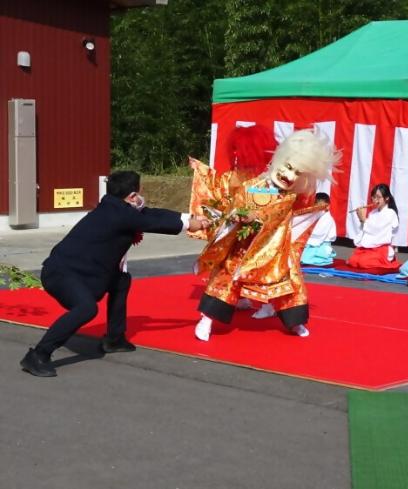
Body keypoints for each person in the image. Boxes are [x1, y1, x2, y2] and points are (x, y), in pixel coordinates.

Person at [20, 170, 211, 377]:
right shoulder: (120, 214)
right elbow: (151, 222)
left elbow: (150, 214)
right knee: (86, 309)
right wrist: (191, 225)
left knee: (120, 281)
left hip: (80, 270)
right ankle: (38, 355)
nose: (141, 196)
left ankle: (114, 338)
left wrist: (189, 218)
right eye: (139, 191)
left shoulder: (114, 207)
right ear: (131, 196)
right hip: (62, 274)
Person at [193, 130, 339, 341]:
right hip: (245, 248)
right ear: (279, 160)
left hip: (275, 249)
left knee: (291, 282)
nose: (289, 176)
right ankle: (206, 320)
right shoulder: (249, 188)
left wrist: (315, 210)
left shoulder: (291, 197)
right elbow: (233, 213)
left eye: (298, 173)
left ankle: (295, 321)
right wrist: (242, 217)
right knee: (226, 278)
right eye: (289, 167)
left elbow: (296, 216)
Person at [189, 124, 277, 319]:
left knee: (261, 266)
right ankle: (240, 299)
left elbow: (271, 206)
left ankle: (269, 302)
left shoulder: (265, 179)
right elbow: (217, 192)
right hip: (236, 230)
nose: (236, 152)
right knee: (230, 267)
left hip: (258, 231)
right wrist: (201, 170)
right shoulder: (232, 176)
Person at [346, 183, 400, 269]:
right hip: (370, 247)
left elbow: (377, 229)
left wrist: (363, 219)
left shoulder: (390, 213)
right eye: (373, 197)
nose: (375, 200)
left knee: (364, 262)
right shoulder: (372, 213)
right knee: (353, 261)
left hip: (381, 248)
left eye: (378, 197)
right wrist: (361, 220)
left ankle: (387, 260)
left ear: (386, 198)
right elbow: (366, 230)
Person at [300, 192, 337, 266]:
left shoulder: (328, 219)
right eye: (317, 206)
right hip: (309, 243)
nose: (319, 209)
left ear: (328, 206)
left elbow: (319, 234)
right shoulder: (314, 215)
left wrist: (306, 231)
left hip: (319, 244)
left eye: (322, 207)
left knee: (304, 259)